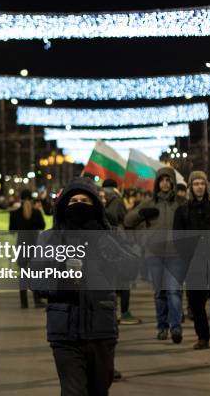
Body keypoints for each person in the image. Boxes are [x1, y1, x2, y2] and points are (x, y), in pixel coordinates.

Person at [31, 177, 128, 396]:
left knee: (99, 390)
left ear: (96, 204)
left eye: (85, 200)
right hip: (64, 331)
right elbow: (34, 279)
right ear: (64, 205)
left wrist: (104, 242)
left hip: (101, 328)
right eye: (73, 200)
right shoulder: (49, 238)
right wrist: (61, 283)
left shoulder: (109, 235)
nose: (79, 204)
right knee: (73, 391)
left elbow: (129, 270)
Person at [125, 167, 184, 343]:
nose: (165, 183)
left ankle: (175, 328)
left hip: (176, 255)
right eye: (162, 180)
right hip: (154, 255)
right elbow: (128, 221)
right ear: (157, 183)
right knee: (160, 293)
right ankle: (162, 327)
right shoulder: (149, 203)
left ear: (172, 183)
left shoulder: (181, 204)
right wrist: (141, 215)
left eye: (168, 180)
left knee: (174, 291)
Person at [173, 171, 210, 349]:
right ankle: (203, 336)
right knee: (196, 303)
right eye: (196, 183)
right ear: (191, 187)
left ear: (207, 186)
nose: (199, 187)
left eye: (202, 183)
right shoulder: (182, 211)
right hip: (194, 264)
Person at [102, 179, 141, 326]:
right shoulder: (113, 202)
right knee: (119, 281)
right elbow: (124, 220)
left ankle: (119, 312)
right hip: (113, 243)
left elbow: (124, 220)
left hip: (114, 242)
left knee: (120, 281)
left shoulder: (112, 202)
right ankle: (117, 312)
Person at [10, 189, 46, 308]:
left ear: (20, 199)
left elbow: (12, 231)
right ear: (31, 199)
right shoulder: (36, 213)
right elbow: (42, 226)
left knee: (23, 275)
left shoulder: (14, 214)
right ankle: (37, 300)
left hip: (21, 245)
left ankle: (24, 302)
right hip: (34, 244)